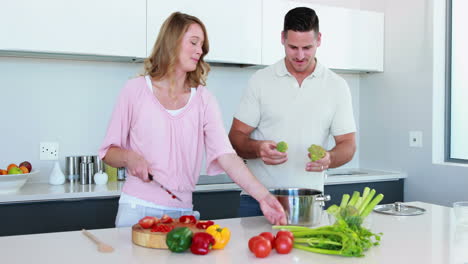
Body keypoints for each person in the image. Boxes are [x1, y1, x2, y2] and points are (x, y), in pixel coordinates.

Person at [98, 12, 286, 227]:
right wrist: (129, 158)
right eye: (194, 43)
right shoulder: (135, 90)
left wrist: (264, 196)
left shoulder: (204, 100)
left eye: (202, 46)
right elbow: (108, 152)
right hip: (137, 209)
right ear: (172, 42)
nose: (200, 51)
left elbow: (226, 155)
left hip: (182, 212)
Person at [229, 7, 357, 217]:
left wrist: (329, 158)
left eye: (307, 47)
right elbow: (235, 138)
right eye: (293, 47)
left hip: (309, 201)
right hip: (259, 199)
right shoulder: (260, 81)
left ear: (319, 40)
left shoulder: (337, 86)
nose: (299, 55)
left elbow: (348, 145)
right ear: (282, 39)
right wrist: (257, 148)